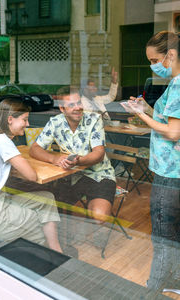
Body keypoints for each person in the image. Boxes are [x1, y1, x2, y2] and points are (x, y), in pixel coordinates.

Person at [122, 31, 180, 291]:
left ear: (171, 55)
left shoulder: (178, 84)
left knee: (162, 234)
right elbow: (168, 120)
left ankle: (153, 289)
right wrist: (145, 108)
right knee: (174, 231)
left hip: (170, 171)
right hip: (173, 170)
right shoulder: (175, 83)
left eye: (154, 59)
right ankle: (176, 280)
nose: (152, 65)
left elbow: (172, 131)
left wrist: (139, 114)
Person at [0, 98, 62, 253]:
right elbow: (31, 176)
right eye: (24, 119)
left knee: (47, 198)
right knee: (37, 226)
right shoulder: (3, 142)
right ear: (10, 119)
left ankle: (56, 250)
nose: (28, 124)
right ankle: (46, 257)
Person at [30, 86, 116, 223]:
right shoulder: (55, 122)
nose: (77, 107)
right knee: (51, 207)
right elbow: (34, 149)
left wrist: (78, 161)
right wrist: (54, 159)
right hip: (70, 177)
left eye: (79, 102)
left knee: (100, 217)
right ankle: (62, 237)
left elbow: (99, 154)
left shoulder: (94, 119)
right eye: (71, 105)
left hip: (99, 175)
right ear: (62, 109)